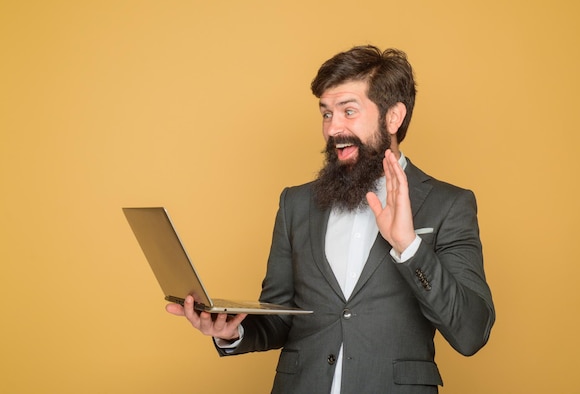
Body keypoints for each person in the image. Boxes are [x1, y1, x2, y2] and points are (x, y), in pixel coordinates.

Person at [166, 45, 495, 394]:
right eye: (326, 114)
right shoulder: (296, 203)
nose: (333, 128)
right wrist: (232, 332)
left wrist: (409, 246)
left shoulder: (449, 204)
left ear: (393, 117)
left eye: (348, 111)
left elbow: (471, 332)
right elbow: (279, 318)